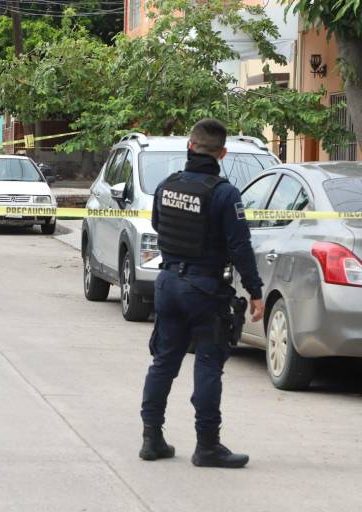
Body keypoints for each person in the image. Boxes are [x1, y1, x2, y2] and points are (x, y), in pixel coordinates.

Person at [139, 119, 265, 469]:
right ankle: (207, 446)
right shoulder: (224, 193)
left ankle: (152, 438)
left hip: (167, 285)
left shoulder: (167, 186)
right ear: (222, 153)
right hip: (205, 289)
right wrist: (255, 292)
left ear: (190, 147)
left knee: (163, 363)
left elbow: (157, 225)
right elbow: (240, 247)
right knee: (208, 365)